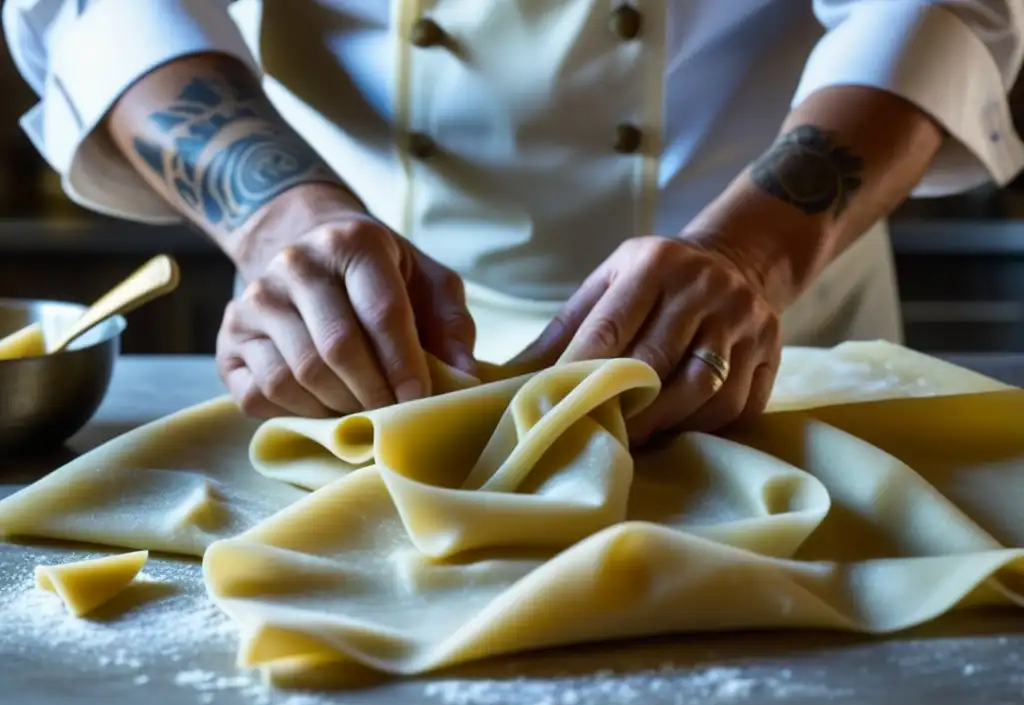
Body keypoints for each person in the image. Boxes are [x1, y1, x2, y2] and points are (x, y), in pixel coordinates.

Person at [5, 1, 1024, 445]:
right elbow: (99, 5)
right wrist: (280, 223)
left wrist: (750, 251)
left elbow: (937, 6)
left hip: (772, 334)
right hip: (349, 335)